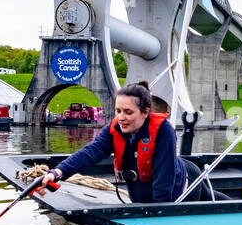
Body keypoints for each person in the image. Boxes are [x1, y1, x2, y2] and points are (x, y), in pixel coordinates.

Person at [41, 81, 214, 202]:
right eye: (118, 111)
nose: (121, 117)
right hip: (141, 194)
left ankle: (240, 210)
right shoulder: (115, 128)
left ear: (145, 113)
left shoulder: (163, 130)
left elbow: (164, 181)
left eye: (128, 112)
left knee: (212, 200)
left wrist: (161, 214)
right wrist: (57, 173)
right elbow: (90, 153)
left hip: (185, 185)